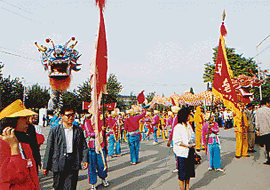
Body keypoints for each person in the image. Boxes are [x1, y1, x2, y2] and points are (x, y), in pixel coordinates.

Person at [43, 105, 89, 190]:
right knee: (58, 186)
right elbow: (49, 148)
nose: (70, 117)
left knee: (71, 187)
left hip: (73, 162)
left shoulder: (78, 130)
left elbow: (84, 146)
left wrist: (85, 159)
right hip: (58, 162)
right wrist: (46, 166)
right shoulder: (54, 130)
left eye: (72, 115)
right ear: (62, 116)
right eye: (68, 115)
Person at [0, 99, 39, 189]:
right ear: (12, 122)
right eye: (24, 118)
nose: (28, 121)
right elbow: (14, 176)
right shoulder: (2, 146)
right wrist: (14, 148)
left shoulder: (24, 143)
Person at [82, 114, 109, 190]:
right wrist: (100, 132)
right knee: (91, 166)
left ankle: (103, 178)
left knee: (102, 164)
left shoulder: (102, 121)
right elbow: (90, 133)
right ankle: (93, 183)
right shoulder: (87, 122)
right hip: (91, 147)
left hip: (101, 146)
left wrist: (103, 129)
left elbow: (106, 131)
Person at [173, 107, 195, 190]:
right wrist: (187, 145)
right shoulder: (178, 127)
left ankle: (187, 187)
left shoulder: (189, 125)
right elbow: (177, 141)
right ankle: (182, 188)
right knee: (182, 173)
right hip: (182, 152)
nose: (190, 116)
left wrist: (192, 143)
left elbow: (192, 135)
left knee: (189, 172)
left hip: (190, 151)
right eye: (189, 114)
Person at [255, 97, 270, 165]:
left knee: (267, 145)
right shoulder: (269, 110)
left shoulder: (258, 111)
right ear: (267, 103)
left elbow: (257, 122)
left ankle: (269, 159)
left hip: (264, 131)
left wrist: (257, 129)